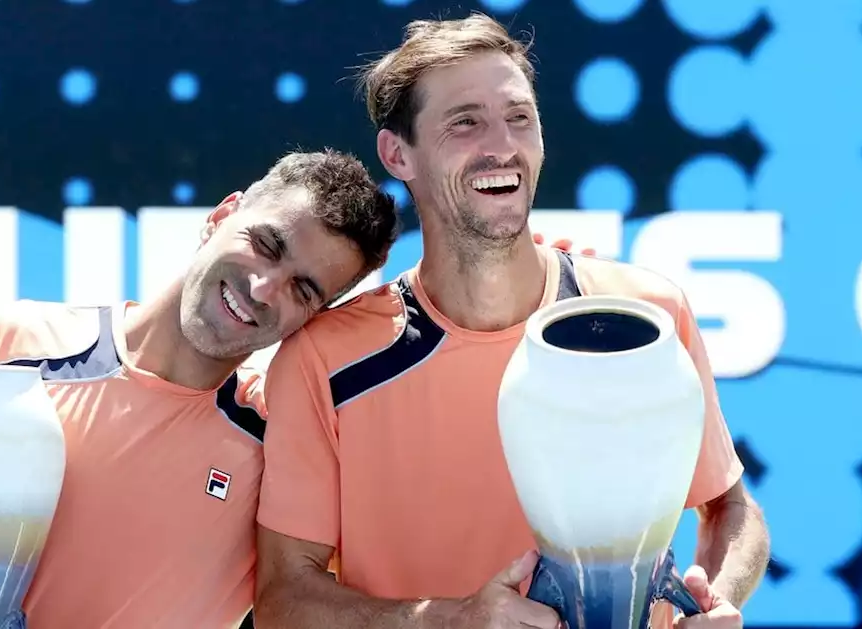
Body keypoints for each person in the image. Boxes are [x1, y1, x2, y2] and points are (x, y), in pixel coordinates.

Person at [252, 13, 771, 629]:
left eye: (519, 117)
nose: (502, 145)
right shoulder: (323, 361)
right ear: (398, 154)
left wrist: (718, 598)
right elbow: (285, 599)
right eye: (465, 122)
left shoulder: (647, 315)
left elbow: (732, 510)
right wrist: (452, 620)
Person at [0, 149, 402, 629]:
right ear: (220, 216)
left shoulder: (283, 445)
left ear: (313, 320)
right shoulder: (11, 341)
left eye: (303, 289)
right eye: (266, 245)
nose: (264, 288)